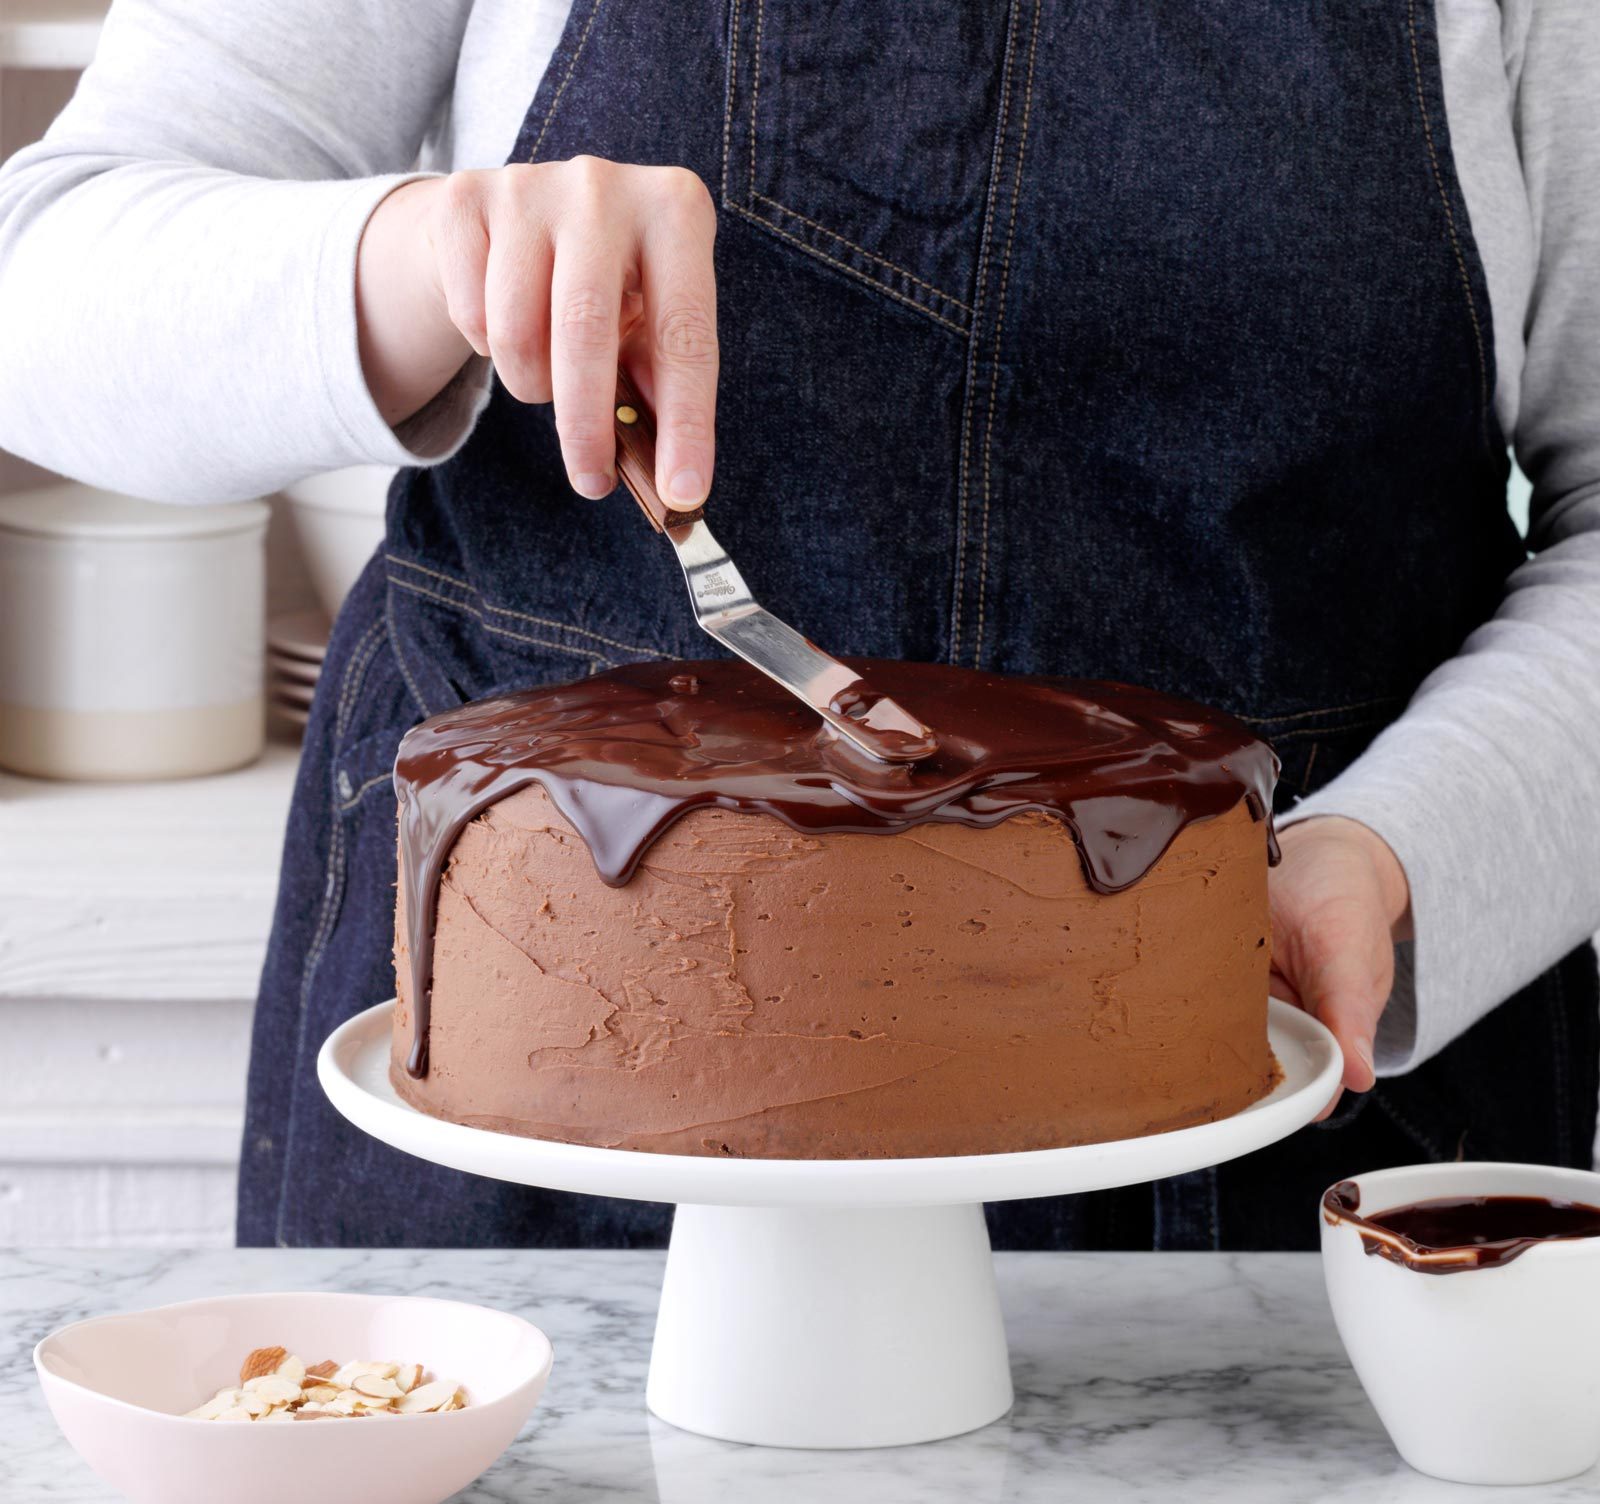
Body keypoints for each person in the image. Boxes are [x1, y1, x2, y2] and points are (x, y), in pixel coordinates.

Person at [1, 0, 1596, 1249]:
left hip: (1271, 1083)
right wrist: (424, 253)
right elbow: (46, 289)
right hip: (544, 1105)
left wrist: (1400, 853)